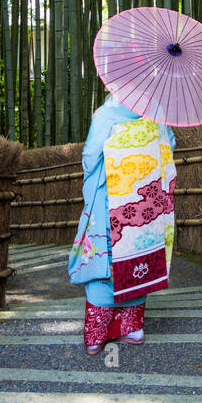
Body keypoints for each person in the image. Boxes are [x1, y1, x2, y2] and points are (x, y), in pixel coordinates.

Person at [68, 92, 176, 354]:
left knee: (103, 258)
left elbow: (91, 156)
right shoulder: (157, 111)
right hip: (142, 205)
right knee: (137, 252)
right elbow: (168, 148)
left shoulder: (106, 114)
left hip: (110, 201)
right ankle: (133, 328)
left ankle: (96, 336)